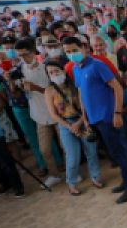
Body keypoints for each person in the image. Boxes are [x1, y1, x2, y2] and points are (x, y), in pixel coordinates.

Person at [62, 36, 127, 204]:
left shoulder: (97, 65)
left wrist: (117, 113)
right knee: (113, 153)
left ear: (83, 47)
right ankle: (126, 180)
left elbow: (117, 88)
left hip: (108, 116)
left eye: (74, 50)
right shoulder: (76, 68)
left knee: (118, 152)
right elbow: (82, 93)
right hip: (93, 118)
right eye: (68, 52)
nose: (72, 54)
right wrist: (85, 117)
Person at [44, 60, 103, 195]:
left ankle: (96, 177)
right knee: (72, 156)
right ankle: (71, 183)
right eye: (51, 73)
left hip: (82, 120)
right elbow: (53, 114)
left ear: (63, 71)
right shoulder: (49, 91)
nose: (54, 74)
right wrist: (70, 126)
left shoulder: (75, 85)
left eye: (56, 71)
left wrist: (80, 122)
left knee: (91, 151)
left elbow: (85, 105)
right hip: (65, 124)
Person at [15, 38, 63, 188]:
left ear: (33, 52)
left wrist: (36, 88)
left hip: (57, 112)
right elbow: (16, 93)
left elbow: (56, 91)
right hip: (39, 115)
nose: (23, 58)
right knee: (45, 149)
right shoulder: (19, 70)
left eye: (26, 54)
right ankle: (54, 174)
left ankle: (72, 172)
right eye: (20, 55)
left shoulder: (46, 67)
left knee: (65, 146)